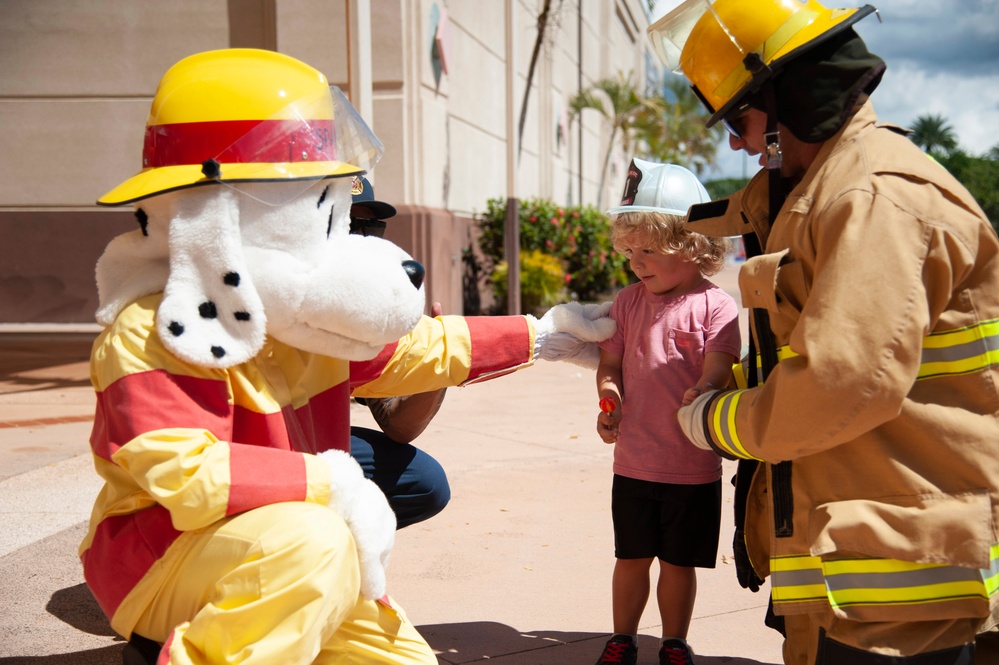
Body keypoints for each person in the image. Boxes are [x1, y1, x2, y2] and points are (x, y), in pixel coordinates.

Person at [80, 48, 617, 665]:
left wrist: (542, 333)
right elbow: (185, 478)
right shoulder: (150, 331)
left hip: (292, 541)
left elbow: (416, 348)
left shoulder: (301, 317)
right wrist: (332, 483)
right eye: (321, 207)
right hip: (163, 558)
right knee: (315, 543)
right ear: (217, 217)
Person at [647, 0, 999, 663]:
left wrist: (709, 421)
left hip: (900, 587)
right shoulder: (826, 186)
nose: (737, 143)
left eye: (742, 119)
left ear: (790, 102)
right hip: (855, 560)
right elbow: (756, 216)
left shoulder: (872, 199)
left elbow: (840, 386)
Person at [593, 159, 740, 665]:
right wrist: (609, 396)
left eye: (649, 250)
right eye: (629, 250)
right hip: (634, 461)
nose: (636, 261)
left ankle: (674, 642)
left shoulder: (716, 306)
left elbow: (720, 362)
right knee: (629, 558)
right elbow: (610, 362)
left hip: (692, 467)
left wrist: (706, 386)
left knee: (679, 563)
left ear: (694, 245)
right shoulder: (628, 303)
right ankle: (623, 638)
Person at [347, 175, 451, 529]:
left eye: (371, 227)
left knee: (425, 483)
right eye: (347, 224)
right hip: (255, 438)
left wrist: (440, 360)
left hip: (315, 440)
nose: (360, 238)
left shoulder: (364, 312)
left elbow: (398, 426)